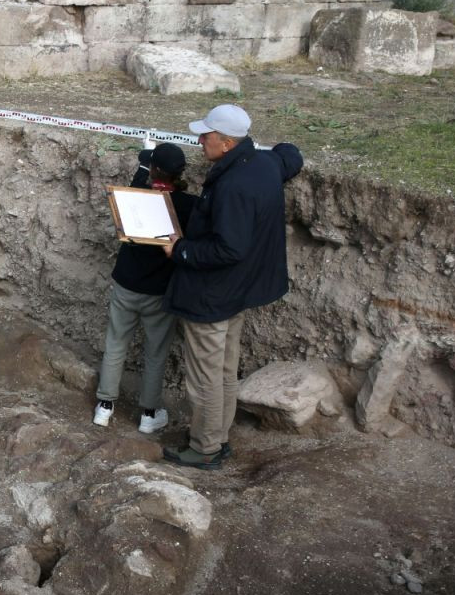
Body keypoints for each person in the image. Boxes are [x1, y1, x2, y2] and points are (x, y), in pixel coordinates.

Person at [160, 105, 303, 470]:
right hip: (239, 292)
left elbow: (228, 248)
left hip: (212, 295)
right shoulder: (264, 164)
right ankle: (218, 438)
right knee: (224, 370)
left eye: (205, 136)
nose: (199, 141)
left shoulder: (233, 185)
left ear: (226, 143)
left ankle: (205, 447)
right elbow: (291, 155)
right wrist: (286, 148)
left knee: (205, 378)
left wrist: (180, 250)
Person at [93, 142, 196, 434]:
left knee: (115, 343)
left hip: (126, 284)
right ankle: (149, 414)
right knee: (156, 351)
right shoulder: (189, 205)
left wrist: (145, 159)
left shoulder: (135, 193)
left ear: (152, 169)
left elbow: (142, 173)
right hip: (160, 291)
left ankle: (105, 407)